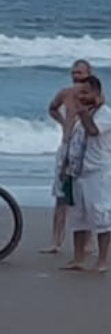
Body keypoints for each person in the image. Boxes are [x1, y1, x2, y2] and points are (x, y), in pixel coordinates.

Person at [61, 75, 111, 274]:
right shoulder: (81, 116)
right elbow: (73, 142)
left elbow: (93, 131)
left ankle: (102, 260)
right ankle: (78, 258)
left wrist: (81, 113)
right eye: (78, 93)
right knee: (78, 217)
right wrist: (65, 166)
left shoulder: (105, 114)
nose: (80, 96)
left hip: (98, 172)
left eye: (85, 93)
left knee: (101, 216)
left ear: (97, 94)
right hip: (78, 172)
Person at [44, 60, 94, 253]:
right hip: (66, 146)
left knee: (84, 195)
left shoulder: (94, 97)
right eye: (74, 72)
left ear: (89, 73)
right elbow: (52, 108)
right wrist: (64, 121)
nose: (76, 76)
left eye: (80, 73)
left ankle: (88, 241)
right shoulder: (65, 93)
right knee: (60, 196)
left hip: (84, 148)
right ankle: (56, 240)